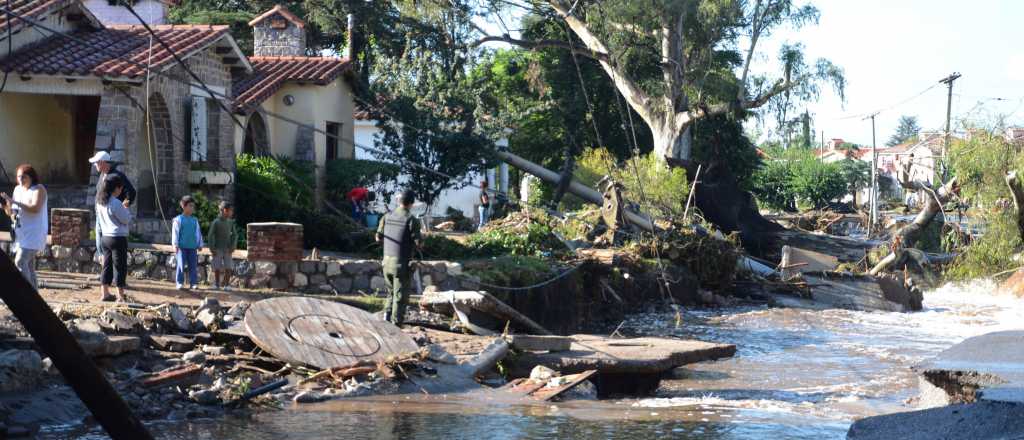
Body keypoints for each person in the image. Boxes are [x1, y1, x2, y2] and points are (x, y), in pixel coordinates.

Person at [375, 190, 422, 325]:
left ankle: (386, 319)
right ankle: (396, 325)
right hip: (401, 266)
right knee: (400, 297)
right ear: (412, 203)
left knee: (390, 294)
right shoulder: (411, 220)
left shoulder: (386, 216)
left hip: (386, 263)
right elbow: (419, 244)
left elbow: (378, 237)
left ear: (398, 201)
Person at [1, 164, 48, 289]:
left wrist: (14, 201)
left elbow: (35, 208)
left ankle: (27, 294)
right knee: (30, 267)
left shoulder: (39, 189)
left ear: (31, 177)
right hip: (21, 234)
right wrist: (7, 207)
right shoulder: (18, 190)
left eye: (23, 177)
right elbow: (13, 214)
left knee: (20, 261)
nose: (21, 180)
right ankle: (35, 298)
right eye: (18, 177)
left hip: (35, 233)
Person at [88, 151, 136, 259]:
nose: (95, 165)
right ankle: (104, 273)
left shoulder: (117, 176)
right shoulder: (102, 175)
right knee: (100, 246)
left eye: (96, 163)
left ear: (102, 163)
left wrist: (123, 206)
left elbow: (131, 192)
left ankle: (107, 273)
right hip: (101, 216)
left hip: (112, 219)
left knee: (109, 250)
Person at [95, 174, 132, 302]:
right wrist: (125, 208)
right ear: (115, 188)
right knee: (120, 267)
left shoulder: (100, 202)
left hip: (105, 237)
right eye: (120, 188)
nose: (121, 191)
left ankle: (104, 293)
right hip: (118, 237)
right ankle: (120, 296)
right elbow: (126, 219)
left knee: (106, 266)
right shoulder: (115, 203)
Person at [172, 195, 204, 290]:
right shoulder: (178, 220)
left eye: (193, 206)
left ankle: (193, 283)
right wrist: (175, 245)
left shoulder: (195, 220)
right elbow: (175, 233)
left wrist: (200, 244)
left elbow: (198, 233)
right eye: (190, 206)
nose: (192, 208)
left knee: (193, 266)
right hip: (181, 247)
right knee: (181, 265)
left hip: (192, 247)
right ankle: (179, 282)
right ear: (183, 206)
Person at [206, 201, 237, 291]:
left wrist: (233, 246)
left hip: (228, 249)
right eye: (231, 210)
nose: (232, 212)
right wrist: (212, 248)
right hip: (217, 248)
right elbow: (210, 235)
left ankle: (227, 285)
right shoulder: (216, 222)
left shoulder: (231, 222)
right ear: (224, 210)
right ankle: (216, 284)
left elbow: (235, 235)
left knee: (228, 266)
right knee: (217, 267)